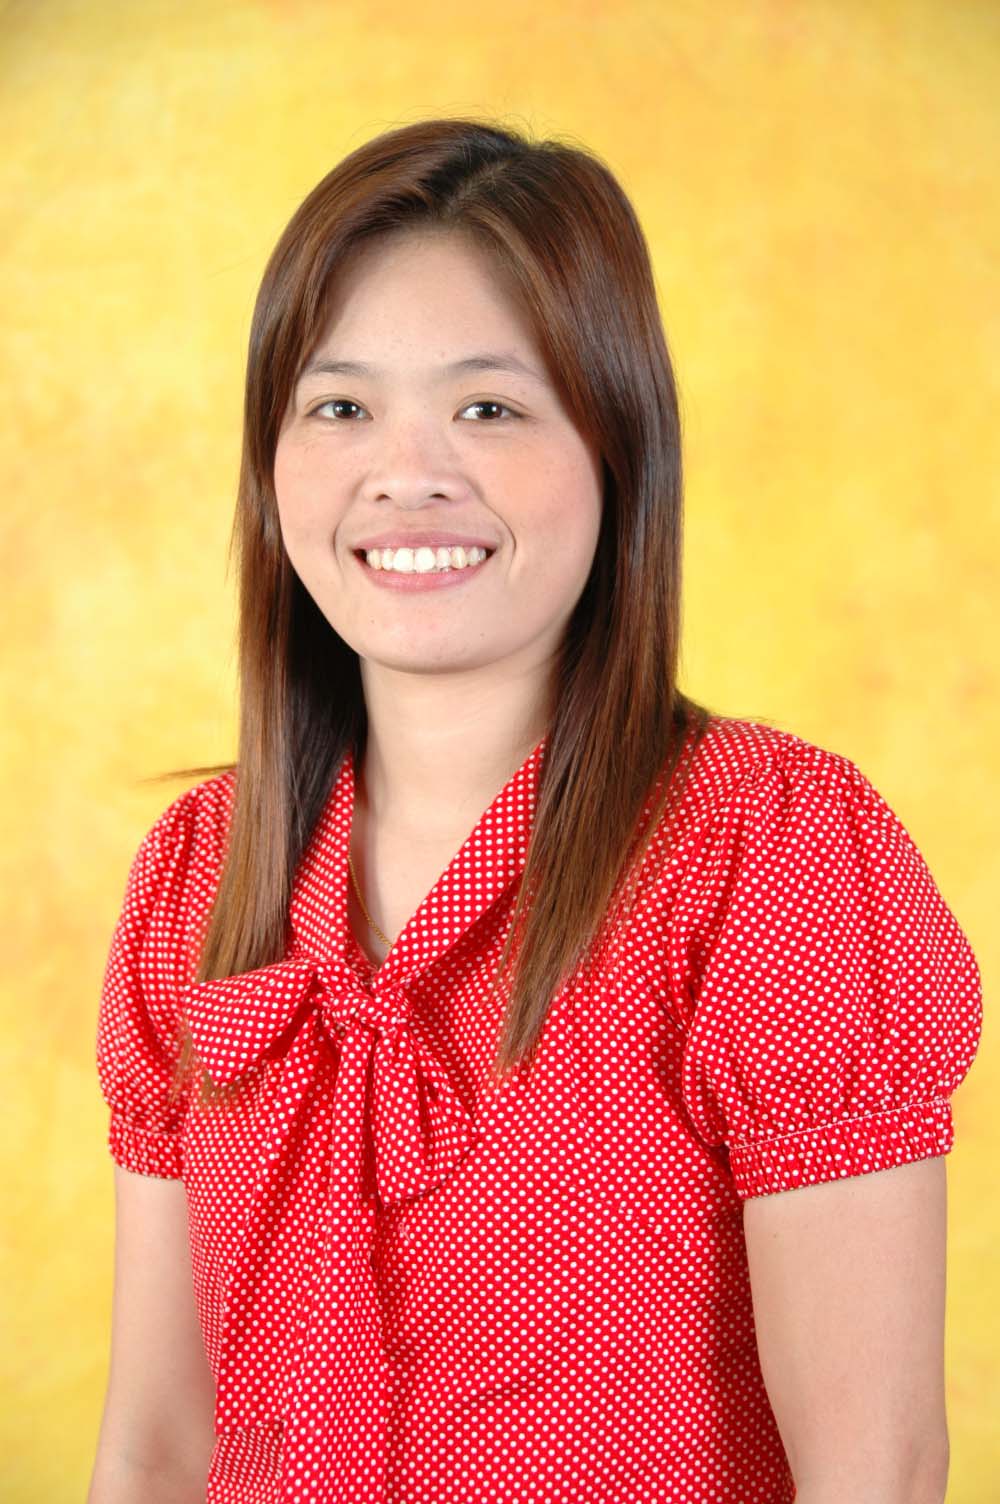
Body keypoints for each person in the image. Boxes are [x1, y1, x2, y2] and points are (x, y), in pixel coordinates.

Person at [87, 117, 982, 1504]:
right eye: (340, 407)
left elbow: (878, 1468)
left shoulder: (770, 847)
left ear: (617, 448)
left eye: (490, 409)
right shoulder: (198, 872)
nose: (407, 473)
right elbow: (155, 1448)